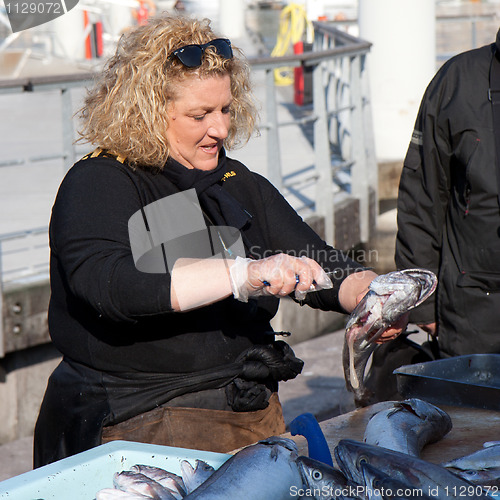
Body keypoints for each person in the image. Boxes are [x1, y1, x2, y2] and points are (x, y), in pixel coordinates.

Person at [33, 14, 403, 467]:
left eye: (225, 109)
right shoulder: (99, 182)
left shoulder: (234, 181)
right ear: (146, 110)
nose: (221, 129)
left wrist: (370, 295)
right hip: (137, 423)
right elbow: (111, 284)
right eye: (199, 115)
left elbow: (315, 259)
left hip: (247, 414)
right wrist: (242, 275)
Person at [395, 28, 500, 358]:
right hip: (472, 313)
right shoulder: (457, 79)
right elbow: (422, 195)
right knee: (472, 409)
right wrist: (422, 304)